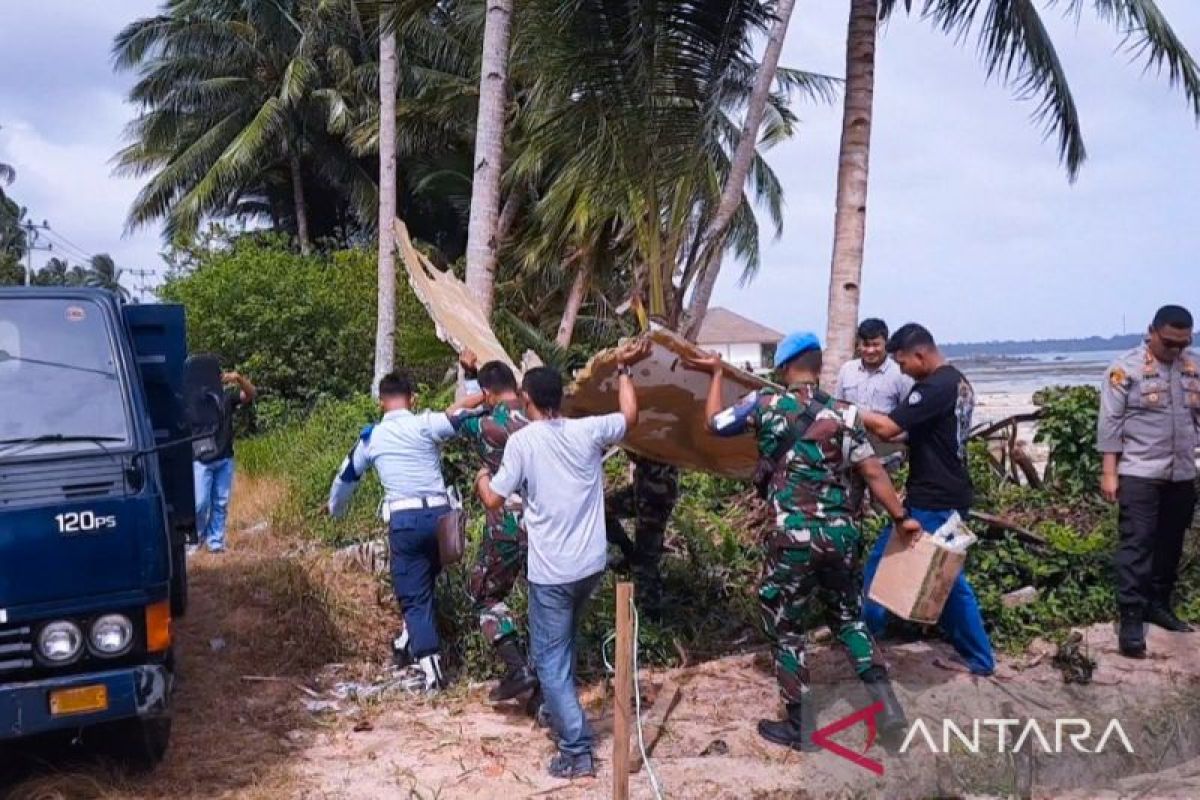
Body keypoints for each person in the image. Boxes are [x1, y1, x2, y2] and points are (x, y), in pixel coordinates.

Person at [686, 332, 917, 752]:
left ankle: (801, 726)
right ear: (816, 363)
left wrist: (718, 373)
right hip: (841, 535)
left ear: (784, 367)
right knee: (849, 620)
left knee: (786, 625)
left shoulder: (765, 404)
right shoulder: (846, 414)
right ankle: (890, 714)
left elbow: (714, 423)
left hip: (792, 536)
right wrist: (901, 518)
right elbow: (872, 473)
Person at [477, 340, 650, 779]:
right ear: (561, 399)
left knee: (551, 660)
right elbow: (630, 416)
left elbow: (495, 499)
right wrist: (626, 371)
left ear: (527, 400)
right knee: (562, 648)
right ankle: (563, 717)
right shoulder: (587, 430)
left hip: (552, 572)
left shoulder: (522, 443)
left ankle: (576, 750)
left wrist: (480, 477)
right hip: (591, 565)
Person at [858, 323, 996, 676]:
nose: (902, 371)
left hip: (935, 498)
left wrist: (846, 412)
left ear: (920, 355)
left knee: (887, 569)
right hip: (949, 493)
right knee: (943, 576)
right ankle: (978, 657)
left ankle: (861, 639)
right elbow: (911, 434)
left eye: (903, 364)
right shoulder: (958, 382)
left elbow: (889, 428)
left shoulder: (935, 387)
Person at [326, 371, 464, 693]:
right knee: (425, 583)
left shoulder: (372, 438)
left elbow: (347, 476)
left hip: (406, 522)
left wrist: (335, 509)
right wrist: (471, 382)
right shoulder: (426, 423)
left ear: (380, 402)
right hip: (442, 519)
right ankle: (405, 642)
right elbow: (461, 419)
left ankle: (431, 668)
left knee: (413, 595)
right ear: (412, 398)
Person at [1098, 304, 1199, 657]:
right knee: (1136, 545)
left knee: (1170, 543)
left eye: (1183, 344)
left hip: (1182, 472)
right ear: (1152, 332)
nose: (1175, 351)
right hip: (1140, 471)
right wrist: (1109, 473)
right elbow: (1110, 424)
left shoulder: (1193, 366)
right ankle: (1131, 617)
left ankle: (1159, 604)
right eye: (1169, 343)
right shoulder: (1125, 369)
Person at [451, 350, 539, 702]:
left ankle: (519, 669)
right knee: (544, 601)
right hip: (544, 524)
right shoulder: (538, 417)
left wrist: (473, 385)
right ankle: (544, 681)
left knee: (484, 595)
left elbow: (454, 417)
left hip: (504, 522)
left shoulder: (488, 424)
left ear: (488, 392)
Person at [604, 454, 679, 617]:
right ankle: (628, 552)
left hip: (657, 495)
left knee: (645, 561)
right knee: (601, 510)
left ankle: (652, 615)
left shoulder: (659, 434)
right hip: (642, 488)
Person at [192, 365, 256, 554]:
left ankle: (216, 543)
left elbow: (251, 394)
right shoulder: (194, 399)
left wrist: (238, 378)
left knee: (220, 503)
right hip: (201, 459)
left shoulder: (226, 398)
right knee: (200, 504)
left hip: (224, 457)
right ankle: (197, 539)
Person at [835, 318, 915, 414]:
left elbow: (908, 415)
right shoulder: (847, 370)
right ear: (859, 345)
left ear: (886, 343)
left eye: (876, 345)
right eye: (866, 345)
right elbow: (837, 405)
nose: (870, 350)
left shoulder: (901, 375)